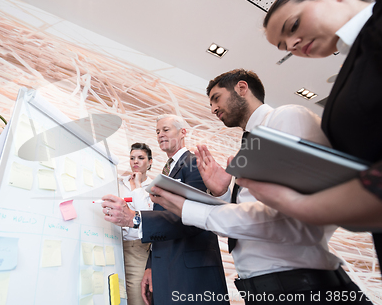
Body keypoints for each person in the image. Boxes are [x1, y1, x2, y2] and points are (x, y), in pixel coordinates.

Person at [150, 69, 372, 304]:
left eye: (216, 98)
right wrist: (224, 193)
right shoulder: (248, 147)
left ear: (242, 88)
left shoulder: (286, 118)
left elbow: (289, 219)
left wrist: (189, 209)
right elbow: (252, 215)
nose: (213, 109)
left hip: (302, 287)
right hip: (262, 289)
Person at [238, 0, 382, 269]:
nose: (292, 44)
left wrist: (300, 205)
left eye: (292, 26)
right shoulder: (353, 63)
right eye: (284, 47)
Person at [101, 114, 228, 305]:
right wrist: (151, 266)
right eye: (157, 131)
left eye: (166, 130)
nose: (160, 135)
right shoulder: (166, 171)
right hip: (167, 265)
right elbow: (161, 219)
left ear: (183, 132)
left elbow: (194, 218)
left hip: (190, 271)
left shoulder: (194, 163)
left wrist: (135, 219)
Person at [119, 143, 154, 305]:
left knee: (136, 300)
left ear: (150, 162)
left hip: (138, 249)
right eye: (132, 158)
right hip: (114, 244)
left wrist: (138, 186)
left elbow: (147, 218)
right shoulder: (120, 183)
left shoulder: (155, 187)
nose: (135, 162)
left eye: (141, 158)